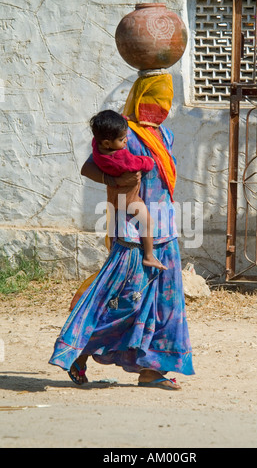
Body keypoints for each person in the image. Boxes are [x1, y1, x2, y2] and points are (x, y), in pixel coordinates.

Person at [49, 72, 194, 390]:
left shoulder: (164, 136)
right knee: (124, 300)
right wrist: (115, 182)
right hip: (131, 232)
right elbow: (90, 168)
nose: (162, 106)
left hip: (164, 230)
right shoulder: (123, 133)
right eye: (156, 98)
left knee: (164, 305)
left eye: (166, 100)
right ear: (141, 98)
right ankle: (78, 352)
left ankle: (151, 369)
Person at [90, 109, 167, 271]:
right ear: (107, 143)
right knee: (148, 222)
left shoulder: (97, 147)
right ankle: (149, 256)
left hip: (114, 196)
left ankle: (111, 246)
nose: (125, 141)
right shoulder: (120, 158)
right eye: (121, 139)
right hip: (130, 199)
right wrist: (148, 159)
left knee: (112, 227)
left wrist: (123, 119)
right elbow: (144, 163)